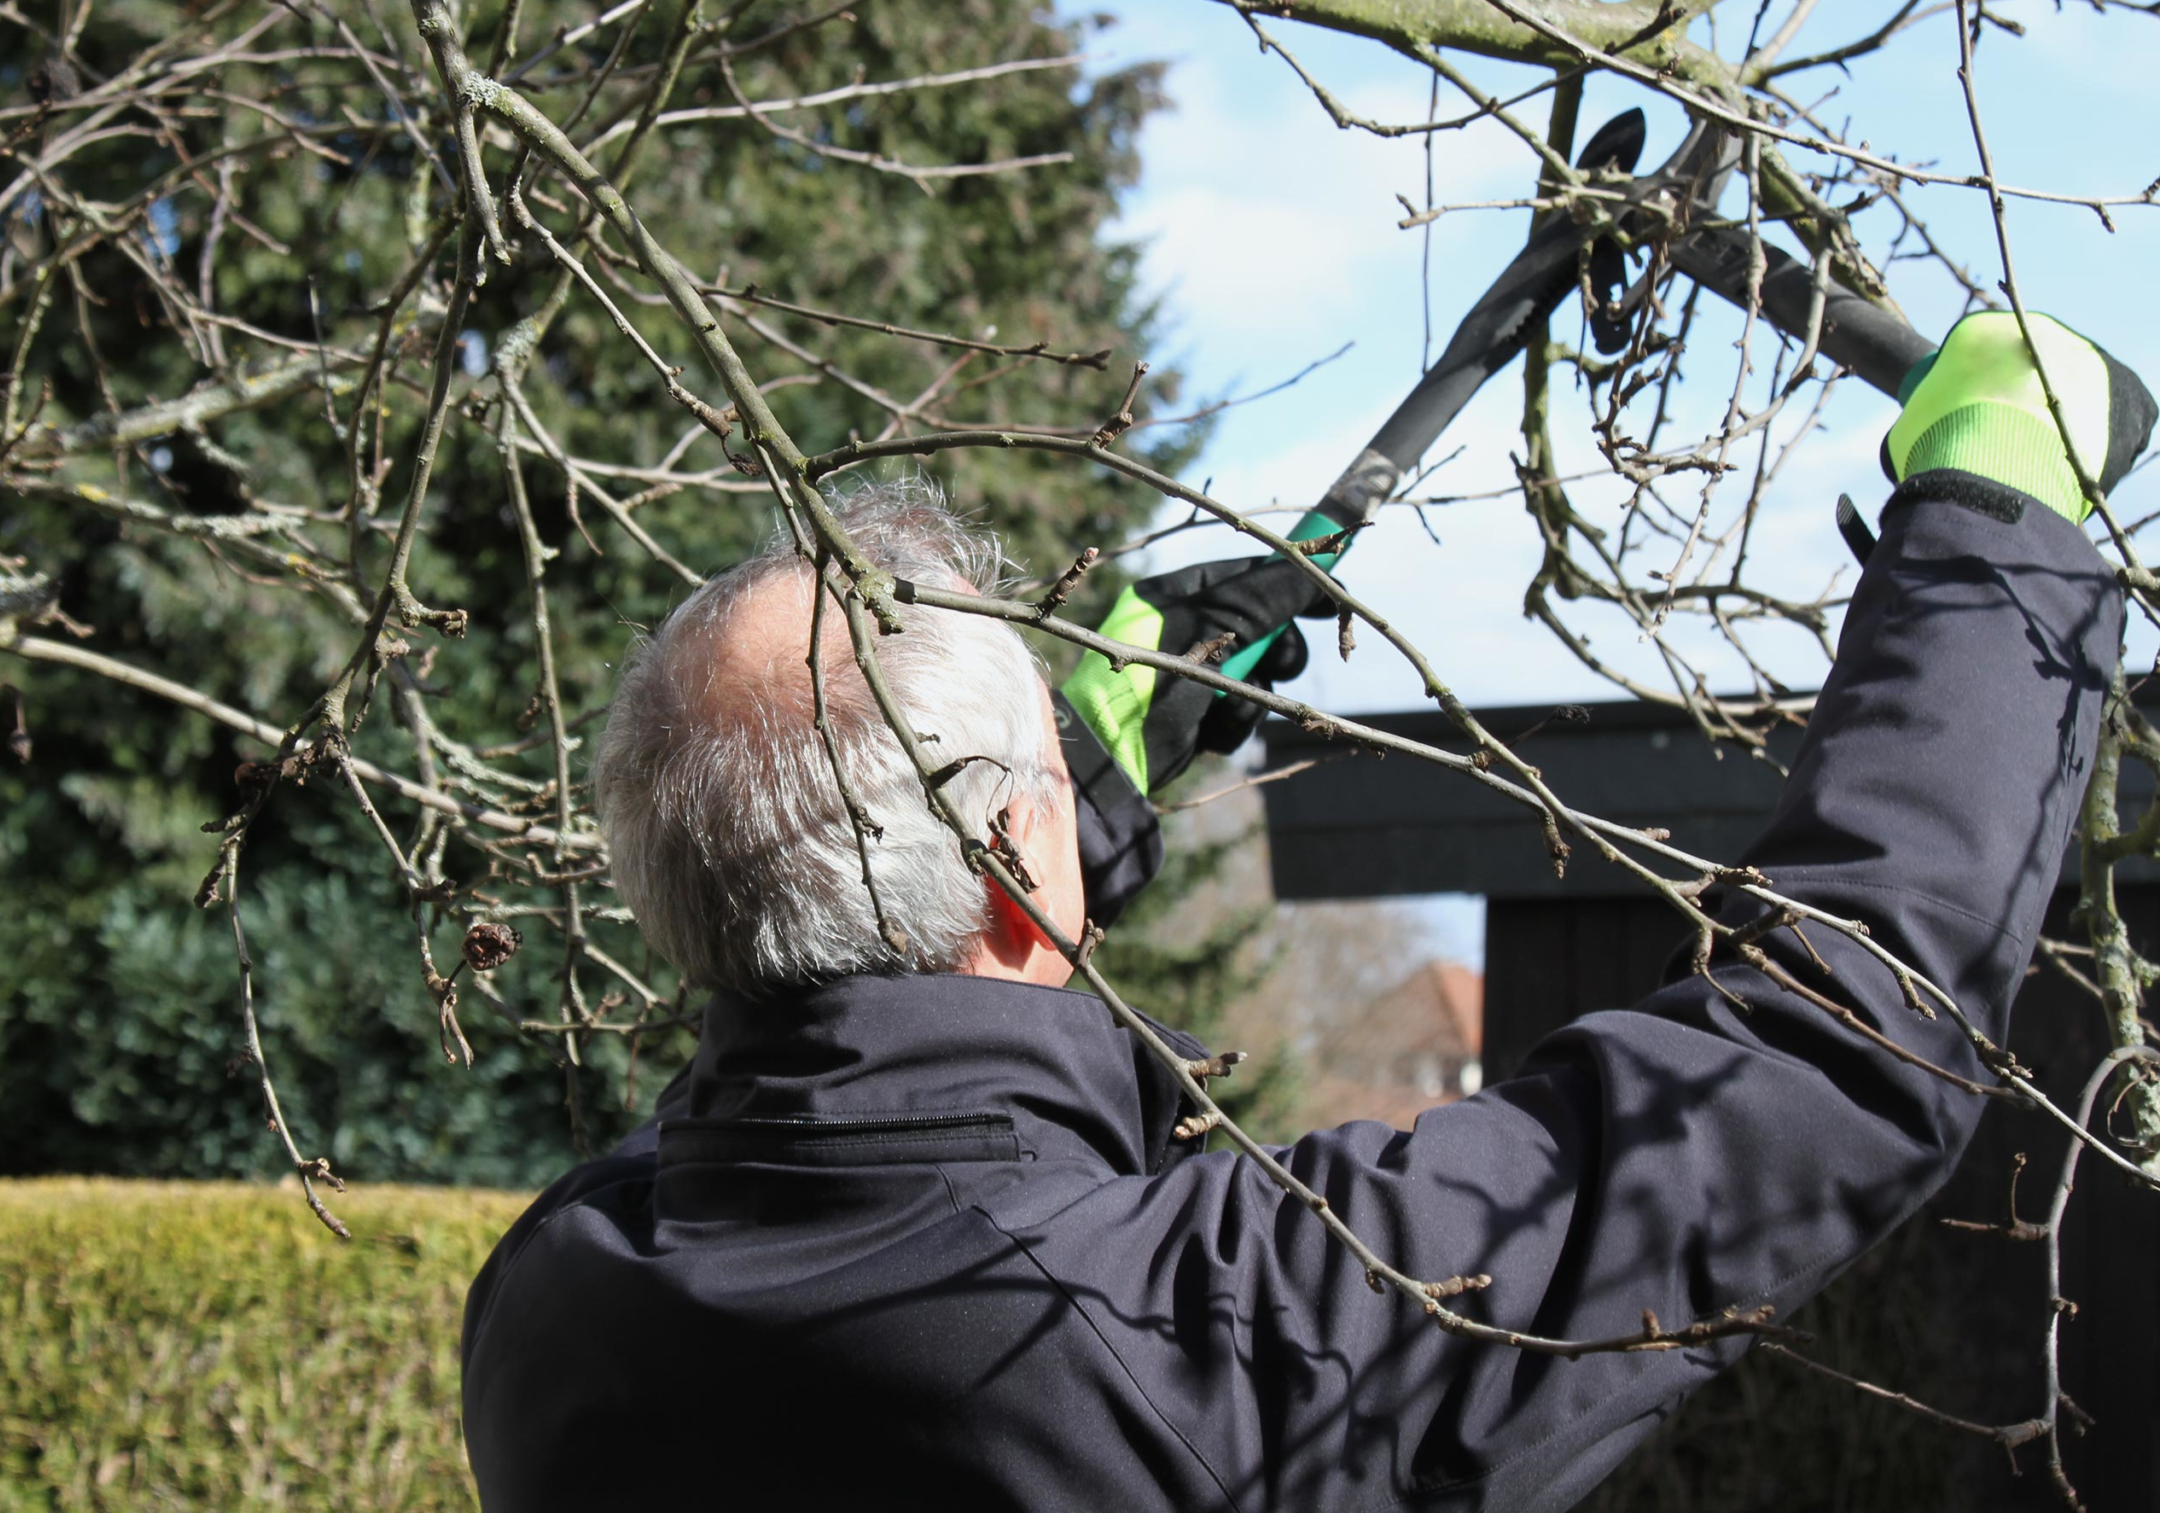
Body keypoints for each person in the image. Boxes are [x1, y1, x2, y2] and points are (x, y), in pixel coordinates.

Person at [460, 313, 2148, 1512]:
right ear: (1001, 867)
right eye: (1046, 774)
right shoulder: (1196, 1341)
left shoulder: (560, 1305)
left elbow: (831, 1043)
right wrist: (2003, 528)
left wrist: (1087, 784)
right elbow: (1815, 1062)